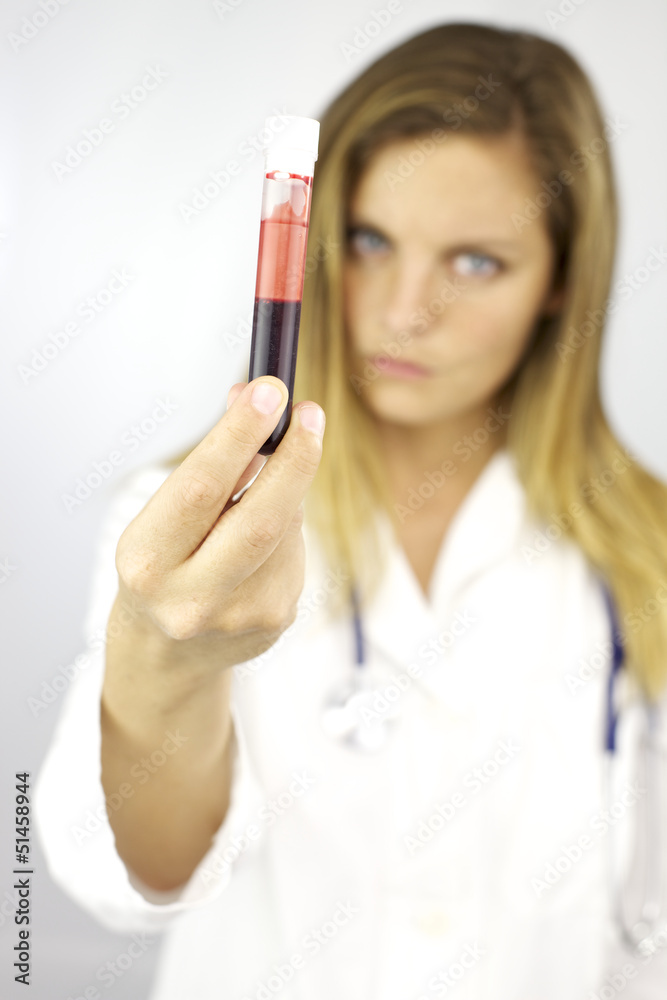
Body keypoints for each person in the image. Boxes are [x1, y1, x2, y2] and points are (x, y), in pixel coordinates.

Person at [35, 21, 667, 1000]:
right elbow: (127, 877)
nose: (405, 309)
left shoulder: (647, 548)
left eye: (474, 263)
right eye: (371, 241)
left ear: (560, 283)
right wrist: (171, 660)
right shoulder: (180, 532)